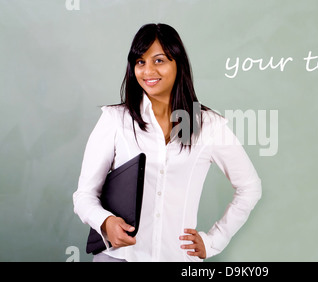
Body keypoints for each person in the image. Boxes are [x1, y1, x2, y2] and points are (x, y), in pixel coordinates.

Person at [73, 23, 262, 262]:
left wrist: (214, 241)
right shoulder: (114, 120)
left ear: (178, 64)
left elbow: (250, 187)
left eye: (159, 60)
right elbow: (84, 195)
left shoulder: (209, 126)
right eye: (140, 62)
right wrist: (106, 222)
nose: (148, 70)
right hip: (118, 258)